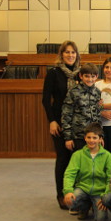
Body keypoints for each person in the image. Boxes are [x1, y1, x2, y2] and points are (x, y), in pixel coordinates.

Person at [42, 40, 81, 210]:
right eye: (67, 52)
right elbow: (46, 99)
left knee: (77, 158)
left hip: (78, 122)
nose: (70, 55)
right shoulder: (54, 73)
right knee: (63, 158)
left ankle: (75, 193)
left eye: (73, 52)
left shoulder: (81, 73)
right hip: (59, 122)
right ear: (61, 54)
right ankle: (60, 193)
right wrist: (52, 120)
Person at [63, 123, 111, 221]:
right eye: (88, 137)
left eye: (95, 138)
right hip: (83, 188)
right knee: (71, 202)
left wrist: (105, 195)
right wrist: (68, 191)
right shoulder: (77, 155)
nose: (91, 140)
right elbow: (69, 174)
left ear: (100, 139)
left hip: (99, 191)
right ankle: (84, 207)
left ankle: (94, 205)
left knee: (101, 220)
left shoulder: (107, 156)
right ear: (85, 138)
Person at [61, 63, 102, 152]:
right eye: (86, 76)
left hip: (93, 136)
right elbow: (66, 114)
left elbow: (98, 115)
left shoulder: (97, 92)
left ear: (97, 76)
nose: (90, 79)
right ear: (80, 76)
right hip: (78, 136)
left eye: (93, 76)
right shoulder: (74, 91)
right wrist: (68, 137)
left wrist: (100, 135)